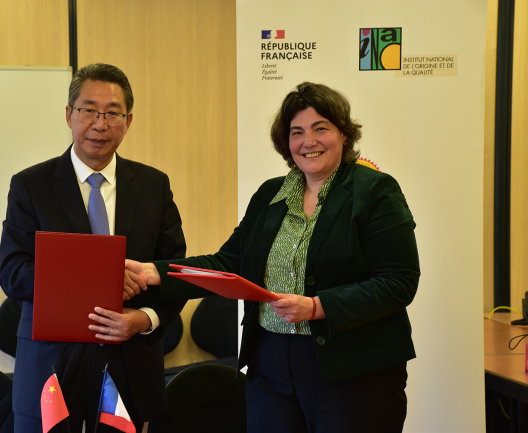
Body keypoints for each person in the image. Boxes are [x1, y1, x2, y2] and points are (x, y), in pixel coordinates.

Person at [126, 82, 420, 432]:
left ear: (343, 134)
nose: (308, 142)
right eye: (297, 132)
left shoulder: (375, 192)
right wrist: (153, 272)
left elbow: (398, 281)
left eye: (320, 128)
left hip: (354, 373)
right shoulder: (270, 195)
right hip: (270, 370)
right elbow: (230, 263)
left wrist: (317, 307)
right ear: (286, 142)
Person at [0, 63, 186, 432]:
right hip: (51, 366)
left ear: (128, 121)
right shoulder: (31, 186)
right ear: (69, 114)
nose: (100, 124)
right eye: (88, 110)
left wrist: (145, 319)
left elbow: (174, 270)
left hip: (129, 365)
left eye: (113, 113)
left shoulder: (153, 186)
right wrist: (106, 278)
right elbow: (13, 273)